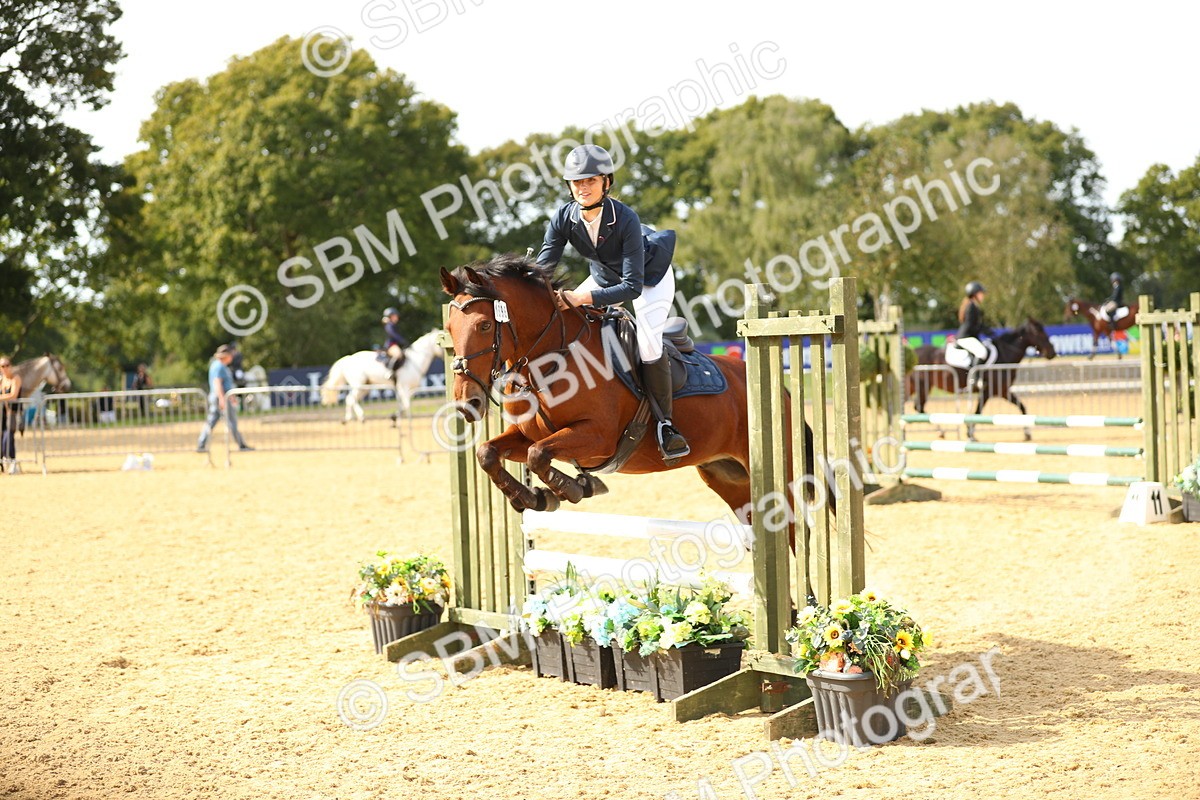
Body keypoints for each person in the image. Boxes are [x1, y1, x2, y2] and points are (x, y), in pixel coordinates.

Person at [536, 144, 689, 460]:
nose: (583, 187)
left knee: (647, 343)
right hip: (605, 276)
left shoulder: (625, 218)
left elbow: (631, 287)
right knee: (566, 320)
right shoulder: (564, 217)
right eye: (577, 182)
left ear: (606, 182)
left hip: (649, 279)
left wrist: (581, 297)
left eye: (590, 180)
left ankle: (666, 425)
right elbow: (543, 268)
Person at [196, 344, 253, 453]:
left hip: (220, 397)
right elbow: (218, 383)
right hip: (220, 398)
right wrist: (223, 399)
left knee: (211, 422)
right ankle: (241, 445)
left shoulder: (218, 365)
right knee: (231, 422)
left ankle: (201, 444)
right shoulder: (219, 366)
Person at [953, 281, 993, 368]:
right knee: (982, 353)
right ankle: (973, 378)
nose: (983, 296)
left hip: (970, 336)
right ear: (974, 294)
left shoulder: (974, 305)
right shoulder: (971, 306)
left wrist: (988, 331)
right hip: (966, 336)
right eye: (981, 293)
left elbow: (978, 325)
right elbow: (971, 325)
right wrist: (985, 331)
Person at [0, 356, 22, 474]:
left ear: (11, 366)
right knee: (2, 439)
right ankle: (4, 463)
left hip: (12, 413)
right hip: (2, 414)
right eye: (2, 366)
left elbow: (13, 395)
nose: (5, 368)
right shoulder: (2, 380)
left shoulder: (16, 378)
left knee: (7, 438)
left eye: (7, 365)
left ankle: (13, 463)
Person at [381, 308, 409, 376]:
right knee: (398, 354)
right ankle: (389, 371)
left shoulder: (392, 325)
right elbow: (394, 335)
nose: (397, 317)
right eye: (395, 316)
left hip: (395, 345)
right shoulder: (389, 325)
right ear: (391, 316)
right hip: (391, 345)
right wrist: (402, 340)